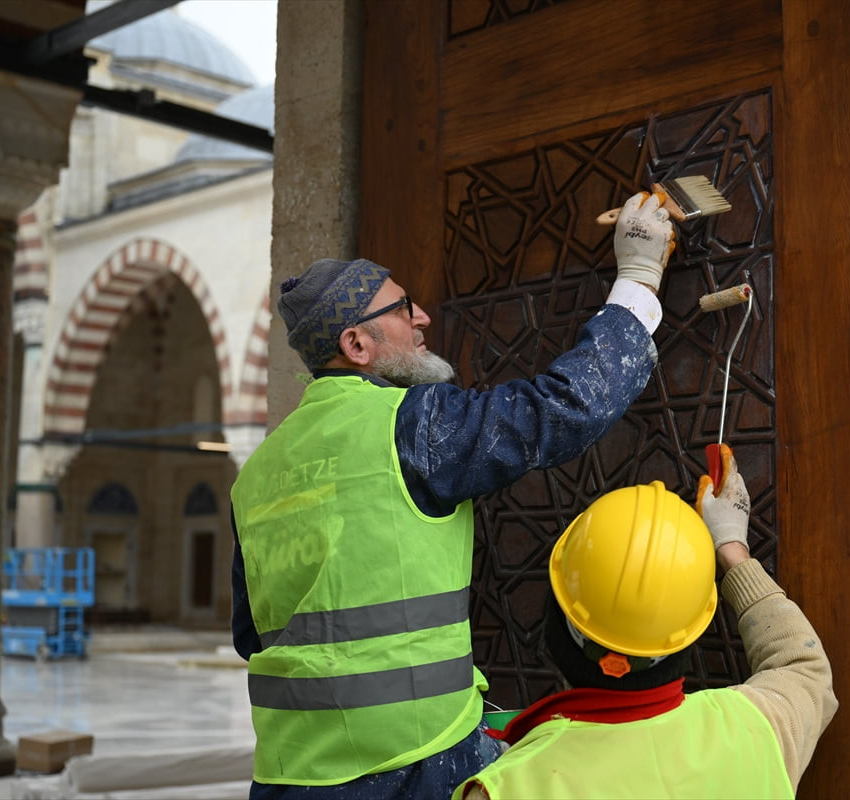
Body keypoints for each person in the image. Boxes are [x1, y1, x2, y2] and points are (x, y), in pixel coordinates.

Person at [228, 191, 678, 799]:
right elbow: (561, 408)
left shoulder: (255, 476)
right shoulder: (410, 424)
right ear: (356, 346)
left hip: (287, 777)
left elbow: (252, 636)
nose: (422, 318)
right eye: (402, 308)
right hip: (413, 766)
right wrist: (638, 282)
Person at [453, 445, 838, 800]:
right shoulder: (756, 729)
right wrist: (732, 548)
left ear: (556, 624)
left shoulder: (511, 788)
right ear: (689, 634)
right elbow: (803, 666)